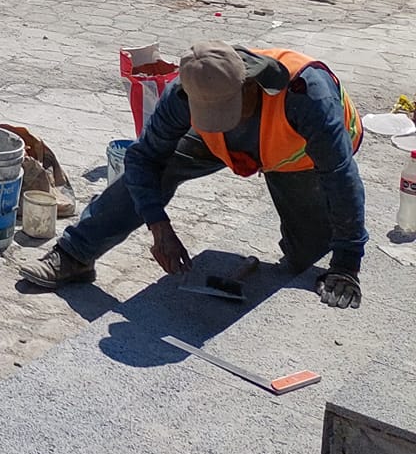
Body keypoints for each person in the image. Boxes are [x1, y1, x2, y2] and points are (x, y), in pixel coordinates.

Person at [20, 43, 366, 311]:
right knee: (159, 165)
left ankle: (312, 246)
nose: (219, 121)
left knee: (305, 256)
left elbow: (340, 176)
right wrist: (159, 226)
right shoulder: (186, 91)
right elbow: (143, 159)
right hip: (233, 146)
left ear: (249, 85)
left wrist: (346, 264)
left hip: (301, 157)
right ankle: (74, 255)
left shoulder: (306, 95)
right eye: (208, 113)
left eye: (225, 112)